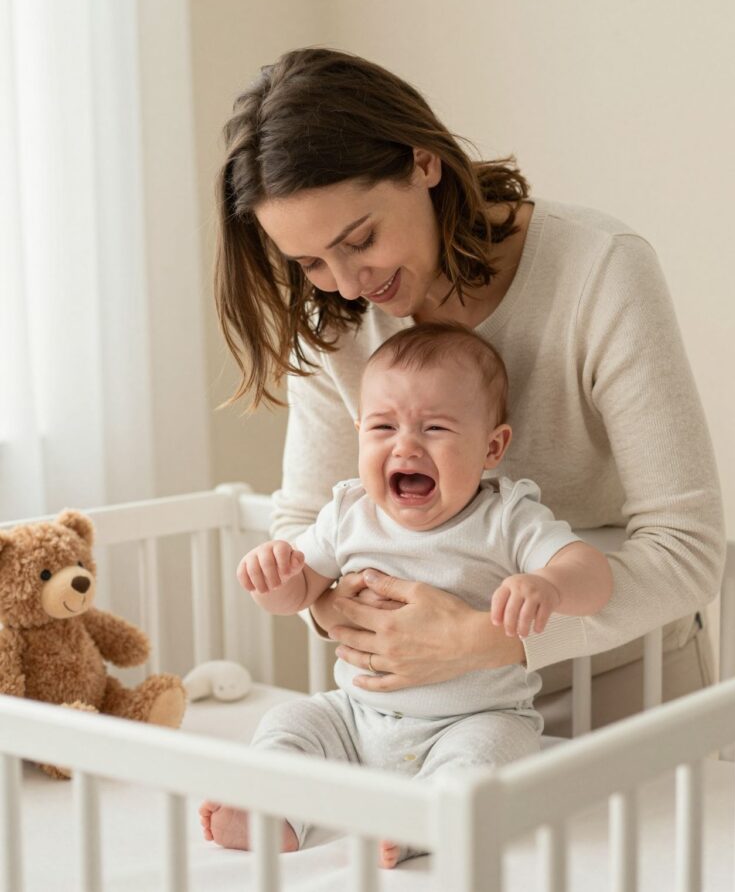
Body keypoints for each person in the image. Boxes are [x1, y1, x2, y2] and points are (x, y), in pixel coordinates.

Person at [214, 46, 724, 742]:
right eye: (309, 263)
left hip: (623, 690)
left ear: (424, 161)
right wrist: (332, 607)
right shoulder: (332, 316)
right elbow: (303, 524)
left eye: (359, 239)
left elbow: (686, 550)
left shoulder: (597, 272)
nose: (348, 284)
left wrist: (484, 640)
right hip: (411, 710)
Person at [200, 323, 613, 866]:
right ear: (359, 434)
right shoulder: (347, 514)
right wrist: (275, 579)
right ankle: (275, 811)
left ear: (493, 446)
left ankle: (422, 823)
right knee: (290, 724)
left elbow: (593, 574)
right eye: (383, 426)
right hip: (356, 717)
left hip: (472, 719)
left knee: (491, 756)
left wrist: (550, 585)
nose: (406, 444)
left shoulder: (508, 518)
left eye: (435, 427)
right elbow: (300, 593)